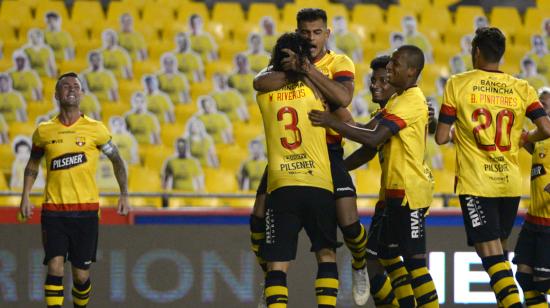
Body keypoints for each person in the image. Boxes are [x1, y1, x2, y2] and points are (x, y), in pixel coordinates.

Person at [252, 8, 369, 306]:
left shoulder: (339, 62)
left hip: (326, 152)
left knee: (349, 222)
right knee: (257, 216)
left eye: (317, 32)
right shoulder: (283, 69)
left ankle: (359, 261)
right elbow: (259, 80)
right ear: (298, 33)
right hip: (290, 154)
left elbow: (343, 100)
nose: (312, 38)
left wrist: (306, 69)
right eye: (306, 33)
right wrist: (296, 70)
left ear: (327, 34)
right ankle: (268, 273)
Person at [310, 45, 439, 307]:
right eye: (377, 78)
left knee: (414, 263)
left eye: (391, 70)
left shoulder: (411, 100)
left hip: (409, 193)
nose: (382, 79)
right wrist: (337, 170)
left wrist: (330, 122)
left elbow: (374, 137)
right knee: (380, 257)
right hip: (392, 193)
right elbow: (368, 141)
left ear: (411, 71)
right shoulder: (394, 104)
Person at [435, 27, 550, 308]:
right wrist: (526, 137)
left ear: (476, 52)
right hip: (510, 184)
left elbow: (440, 137)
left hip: (477, 182)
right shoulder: (521, 87)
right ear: (502, 55)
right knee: (502, 253)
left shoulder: (457, 83)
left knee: (493, 259)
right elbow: (546, 128)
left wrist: (455, 134)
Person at [18, 72, 129, 308]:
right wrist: (25, 196)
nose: (71, 89)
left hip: (86, 212)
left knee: (81, 276)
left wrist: (124, 193)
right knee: (55, 265)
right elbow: (32, 163)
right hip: (54, 211)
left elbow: (117, 160)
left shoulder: (96, 129)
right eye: (65, 86)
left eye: (76, 86)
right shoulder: (44, 131)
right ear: (56, 94)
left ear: (82, 93)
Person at [257, 32, 340, 308]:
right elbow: (339, 98)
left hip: (282, 185)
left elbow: (259, 80)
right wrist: (305, 70)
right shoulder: (317, 89)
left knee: (278, 264)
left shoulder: (265, 92)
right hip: (318, 182)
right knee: (326, 254)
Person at [513, 86, 550, 306]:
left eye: (546, 103)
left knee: (543, 281)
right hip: (533, 220)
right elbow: (518, 138)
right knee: (524, 277)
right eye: (540, 103)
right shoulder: (538, 138)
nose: (542, 106)